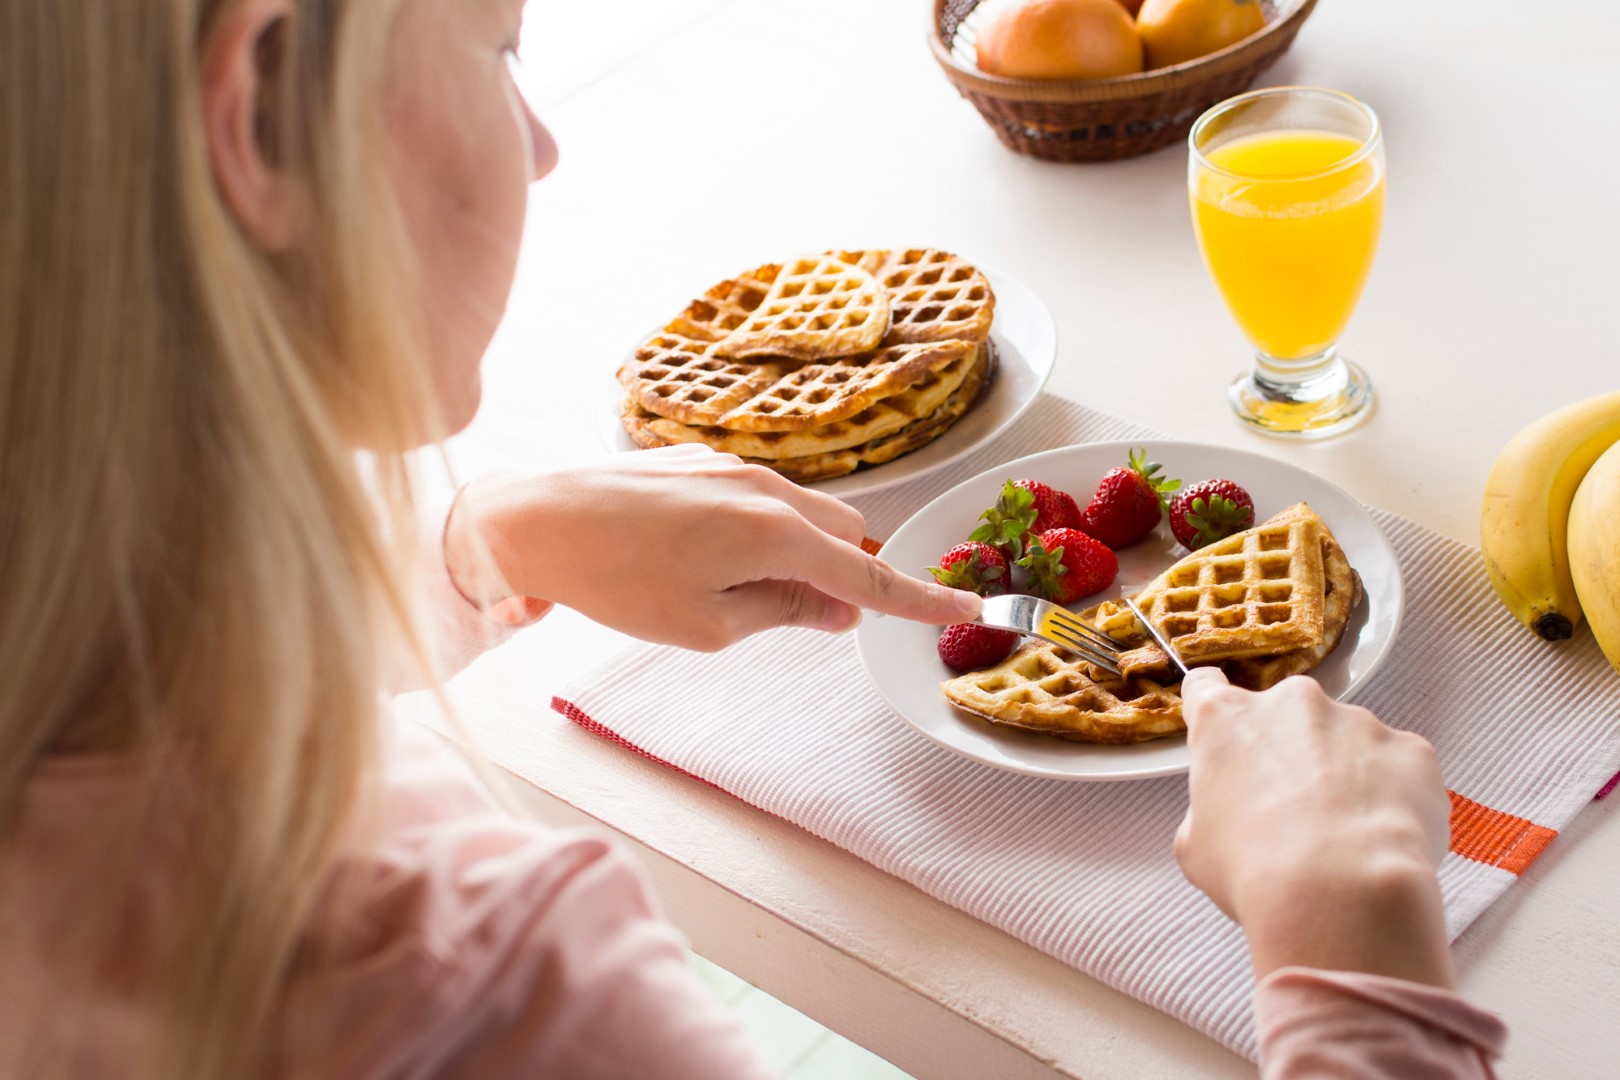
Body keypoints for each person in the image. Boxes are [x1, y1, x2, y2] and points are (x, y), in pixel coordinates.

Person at [0, 1, 1501, 1077]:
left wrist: (472, 550)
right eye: (499, 44)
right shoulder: (464, 994)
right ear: (261, 102)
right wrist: (1350, 954)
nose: (538, 150)